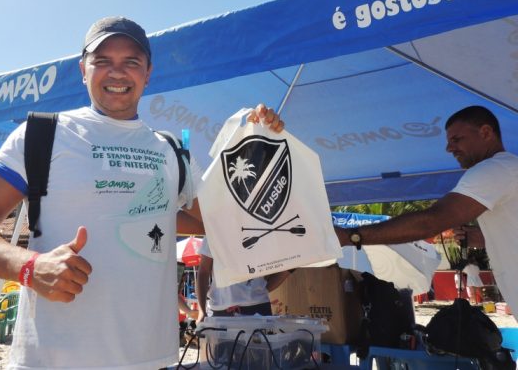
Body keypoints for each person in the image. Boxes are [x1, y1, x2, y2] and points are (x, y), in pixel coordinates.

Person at [0, 16, 285, 369]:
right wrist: (29, 267)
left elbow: (223, 222)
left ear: (147, 73)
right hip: (53, 360)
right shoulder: (41, 133)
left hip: (151, 359)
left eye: (131, 61)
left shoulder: (171, 150)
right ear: (83, 70)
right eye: (103, 61)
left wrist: (256, 144)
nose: (117, 72)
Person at [336, 105, 518, 322]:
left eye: (457, 139)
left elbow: (431, 222)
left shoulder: (494, 169)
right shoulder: (508, 169)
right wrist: (487, 239)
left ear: (486, 132)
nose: (449, 148)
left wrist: (351, 236)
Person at [196, 236, 291, 322]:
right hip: (221, 309)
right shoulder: (213, 229)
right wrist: (201, 311)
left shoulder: (262, 227)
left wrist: (262, 290)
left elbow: (290, 264)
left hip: (257, 307)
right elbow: (203, 271)